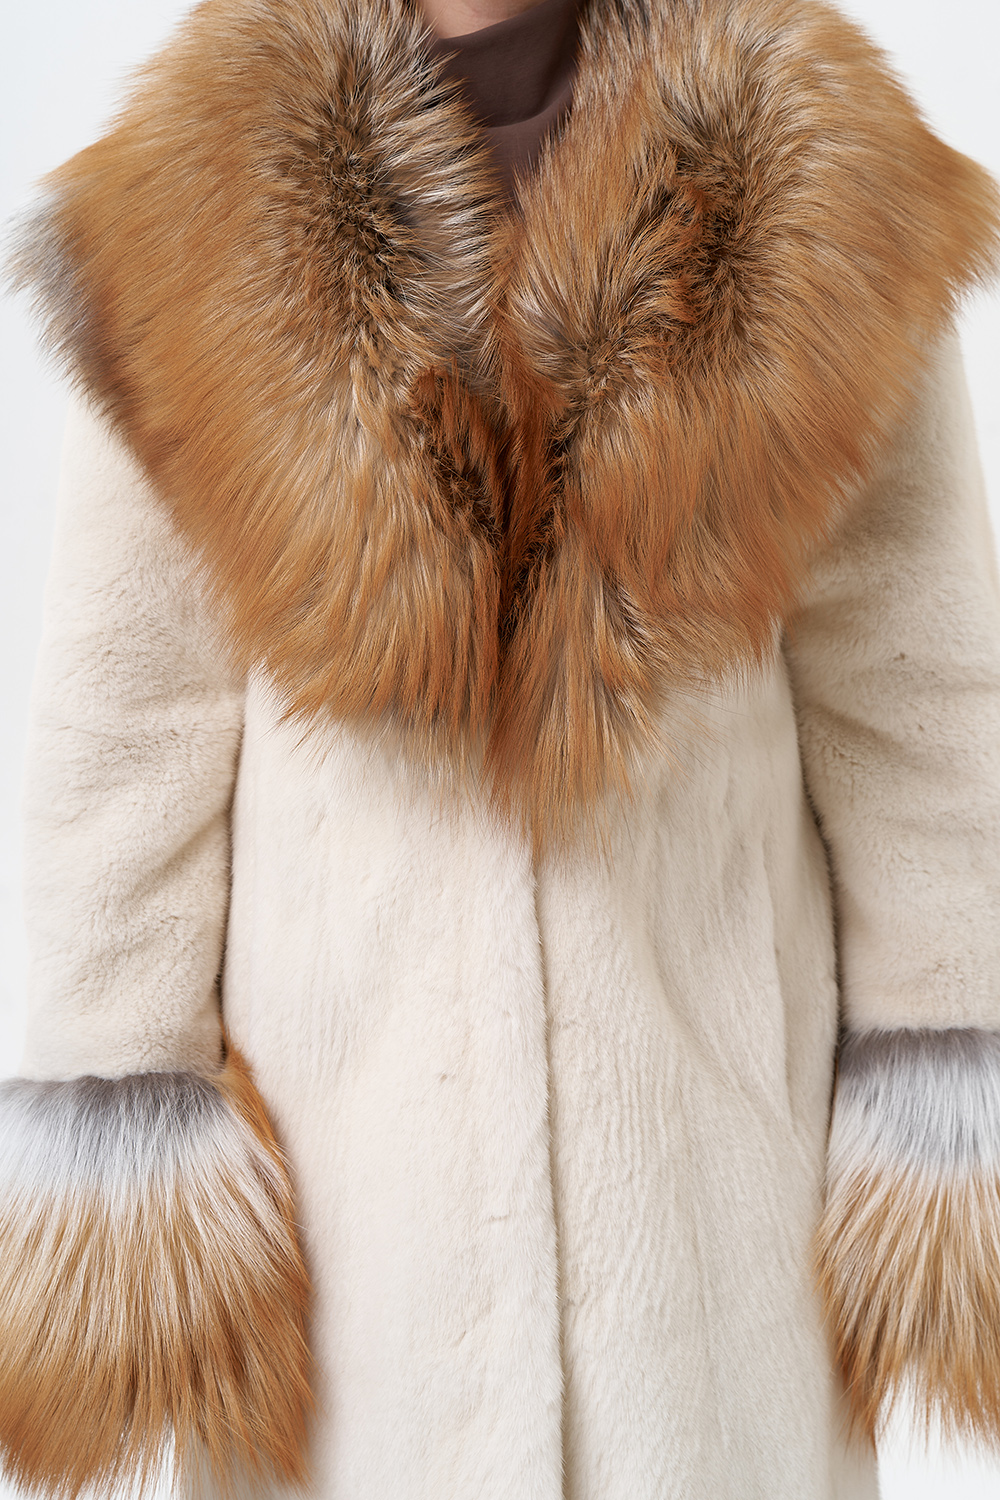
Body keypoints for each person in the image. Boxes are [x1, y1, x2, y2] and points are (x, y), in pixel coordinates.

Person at [2, 0, 1000, 1495]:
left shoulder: (820, 182)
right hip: (353, 1237)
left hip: (716, 1224)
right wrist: (125, 1118)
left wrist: (940, 1089)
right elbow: (127, 723)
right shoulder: (186, 205)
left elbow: (919, 700)